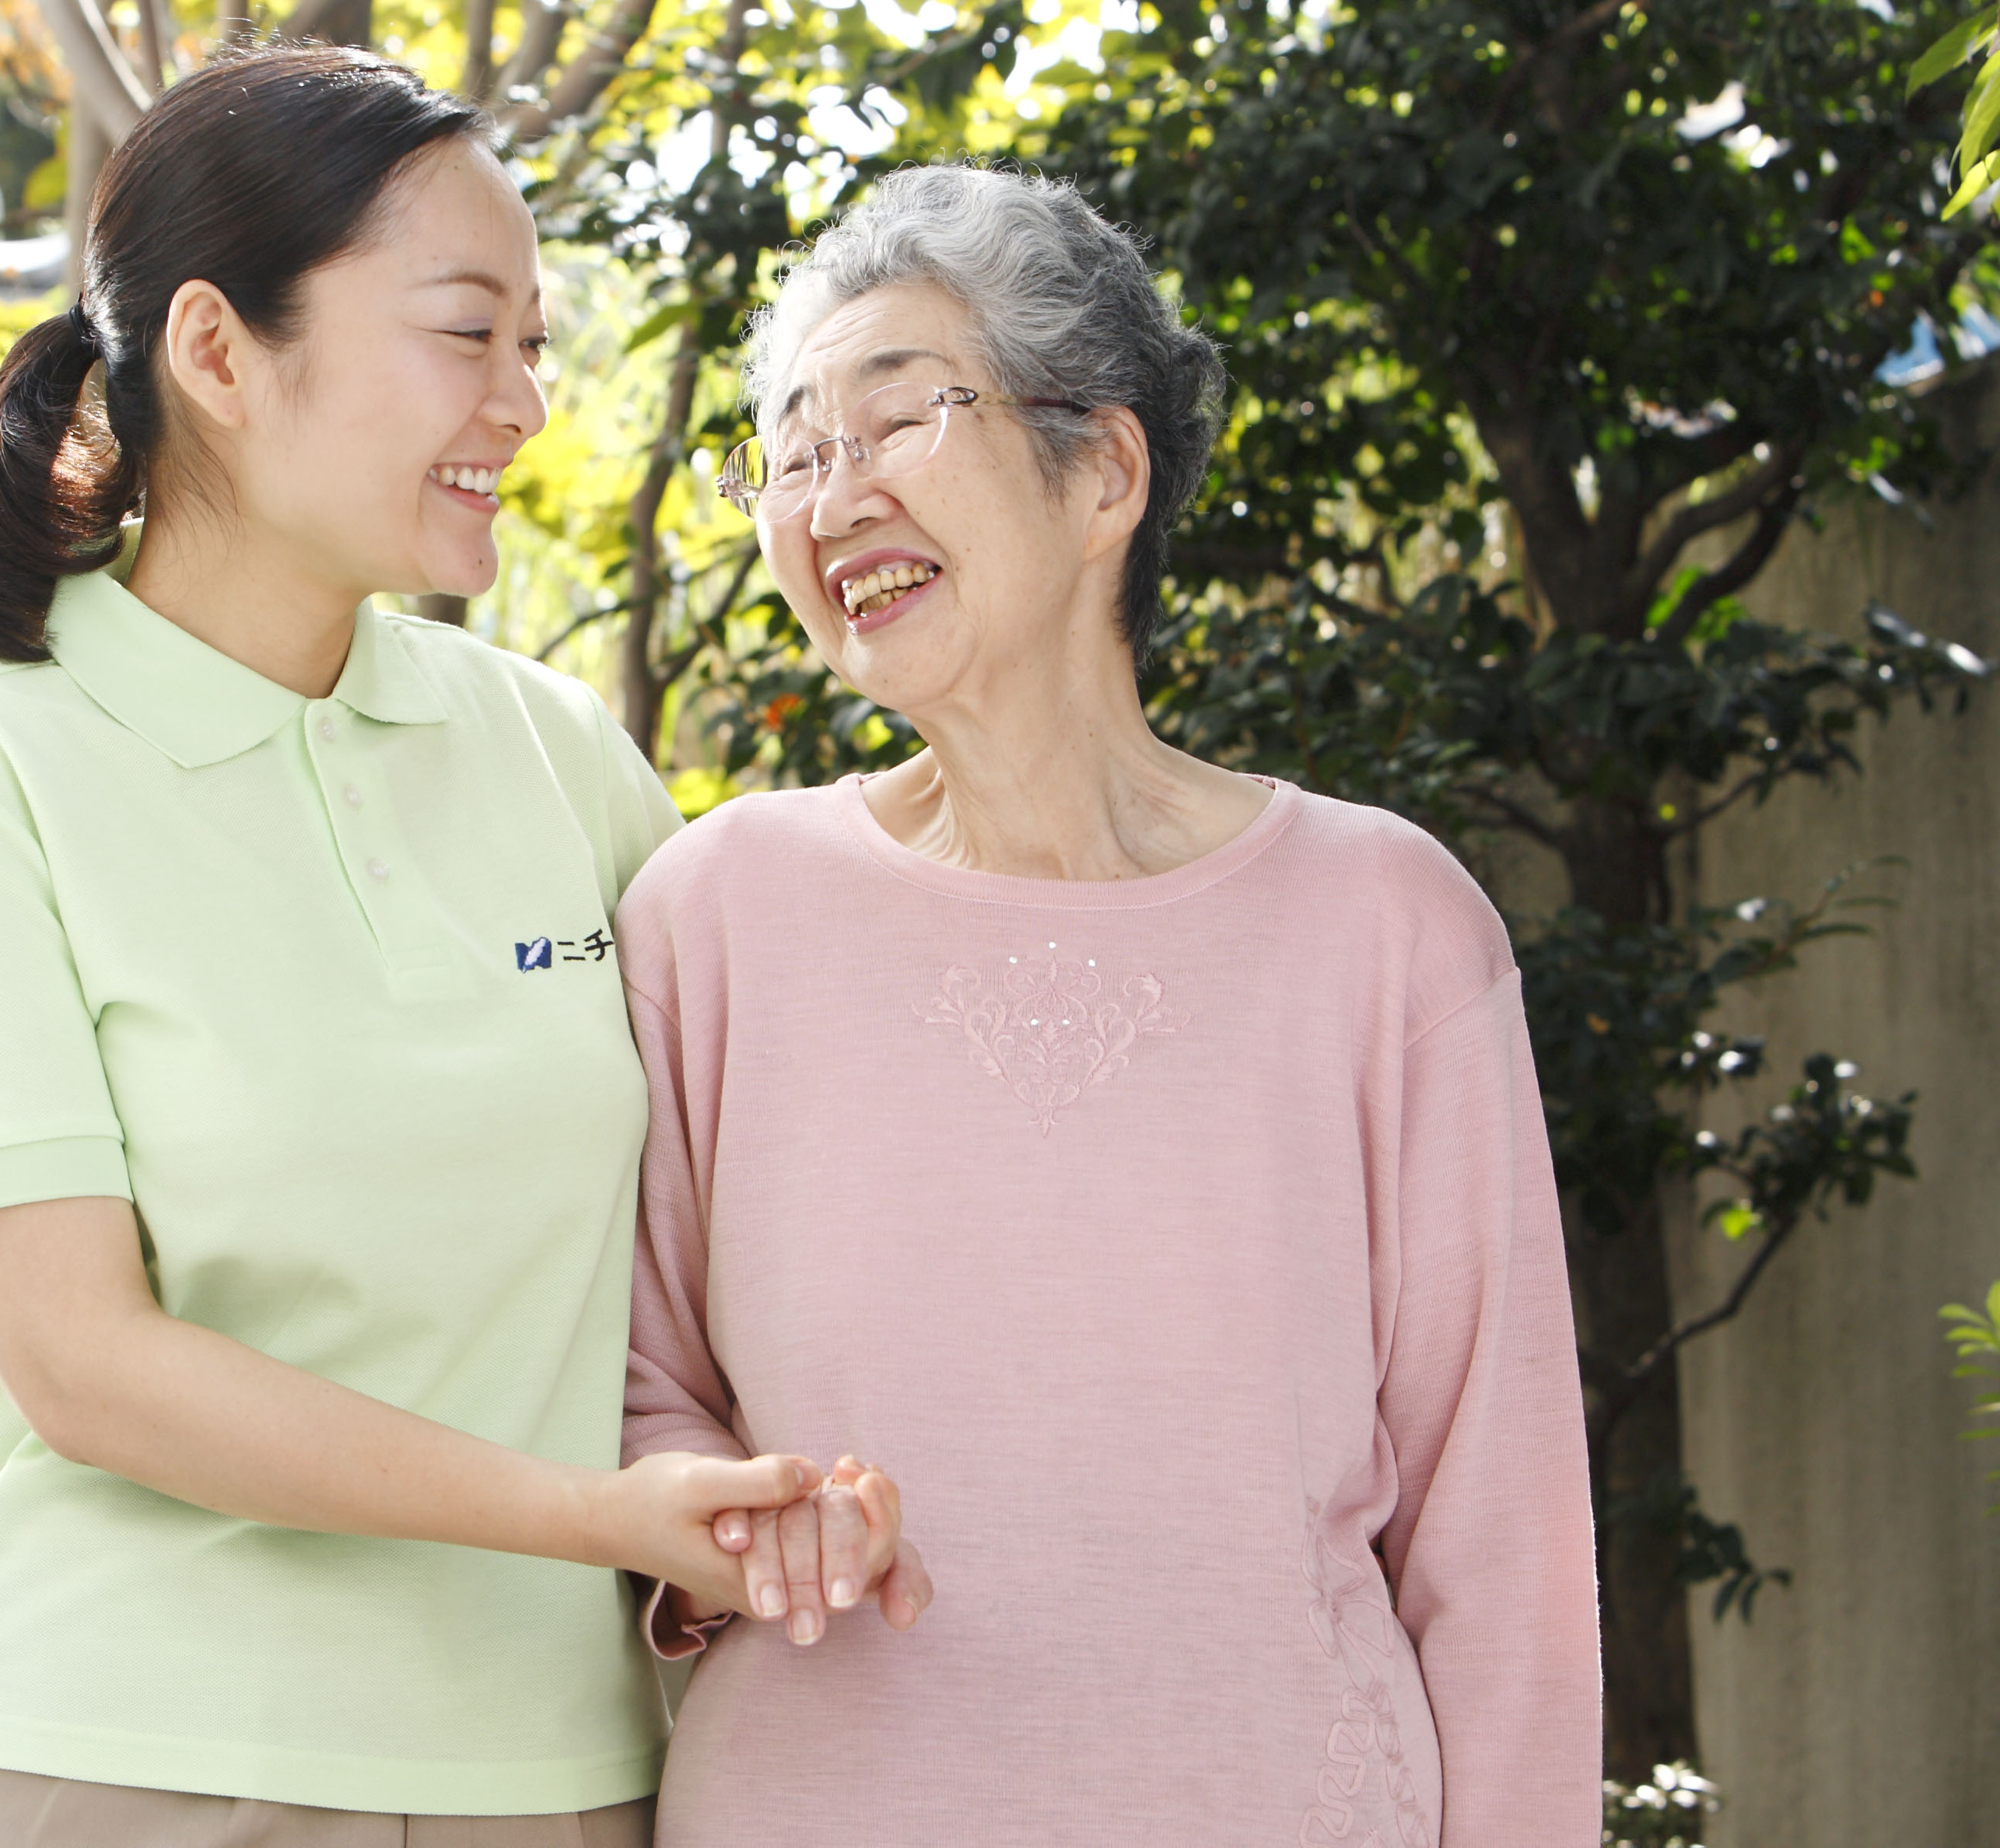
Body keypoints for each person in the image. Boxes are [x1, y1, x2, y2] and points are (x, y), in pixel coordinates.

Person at [0, 45, 918, 1848]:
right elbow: (87, 1370)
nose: (524, 402)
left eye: (537, 346)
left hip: (561, 1776)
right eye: (466, 333)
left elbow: (731, 1232)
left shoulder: (558, 758)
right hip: (128, 1761)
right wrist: (600, 1517)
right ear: (218, 351)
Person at [622, 165, 1600, 1843]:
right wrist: (732, 1525)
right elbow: (635, 1393)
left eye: (890, 418)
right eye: (789, 454)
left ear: (1104, 472)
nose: (829, 494)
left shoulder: (1387, 926)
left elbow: (1501, 1548)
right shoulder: (713, 915)